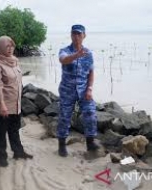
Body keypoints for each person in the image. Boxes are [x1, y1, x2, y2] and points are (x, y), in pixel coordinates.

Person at [0, 36, 33, 167]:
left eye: (12, 46)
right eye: (7, 46)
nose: (10, 49)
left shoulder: (14, 61)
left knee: (14, 129)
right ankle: (1, 157)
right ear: (0, 47)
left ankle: (18, 152)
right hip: (1, 105)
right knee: (0, 132)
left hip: (15, 103)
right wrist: (2, 105)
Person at [57, 24, 98, 157]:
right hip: (67, 91)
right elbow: (63, 60)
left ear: (84, 36)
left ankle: (90, 142)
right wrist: (76, 55)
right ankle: (61, 145)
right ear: (71, 35)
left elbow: (91, 72)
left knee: (90, 113)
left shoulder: (88, 53)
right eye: (74, 33)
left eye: (79, 34)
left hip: (84, 90)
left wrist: (90, 89)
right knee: (64, 117)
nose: (76, 36)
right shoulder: (65, 50)